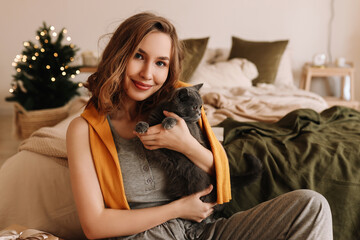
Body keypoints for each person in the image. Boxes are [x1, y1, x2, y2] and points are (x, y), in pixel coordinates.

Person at [66, 12, 333, 239]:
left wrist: (187, 145)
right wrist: (178, 209)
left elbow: (221, 174)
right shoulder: (84, 130)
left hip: (203, 231)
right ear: (119, 56)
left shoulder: (182, 104)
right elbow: (95, 225)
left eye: (161, 63)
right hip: (149, 235)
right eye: (139, 56)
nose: (148, 73)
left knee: (312, 206)